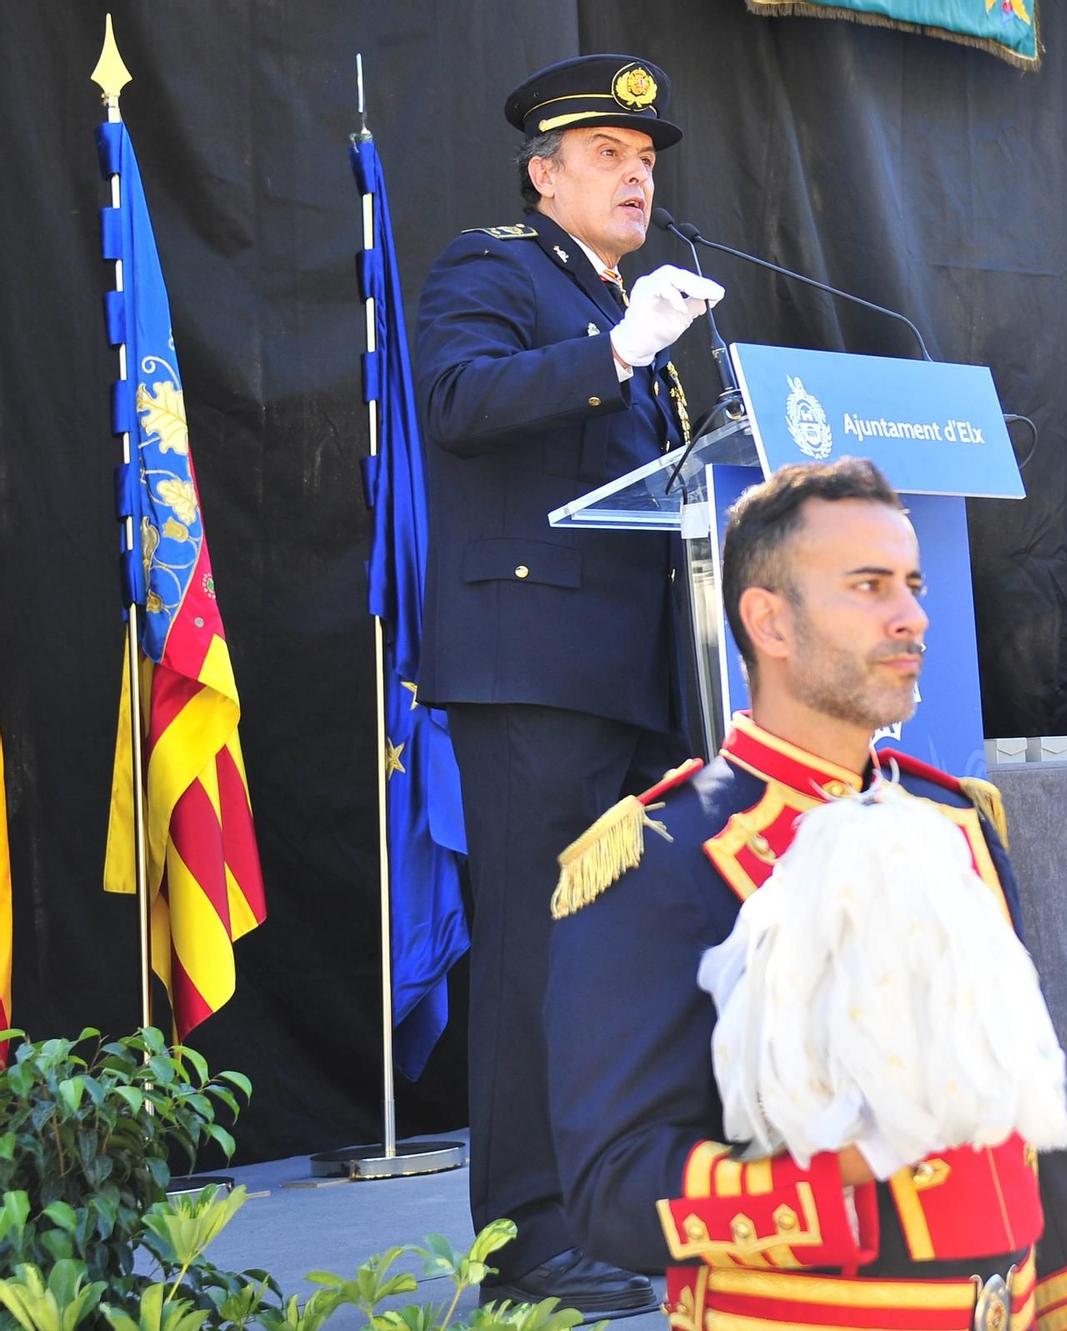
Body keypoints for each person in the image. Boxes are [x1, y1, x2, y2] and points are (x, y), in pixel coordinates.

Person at [543, 459, 1067, 1330]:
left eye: (912, 584)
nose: (912, 616)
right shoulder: (661, 857)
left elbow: (1031, 1127)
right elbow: (612, 1186)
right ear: (769, 620)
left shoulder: (956, 821)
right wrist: (844, 1180)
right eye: (868, 586)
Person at [413, 53, 724, 1314]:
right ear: (544, 174)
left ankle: (604, 1208)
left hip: (633, 676)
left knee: (610, 963)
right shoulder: (491, 268)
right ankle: (528, 1237)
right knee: (539, 963)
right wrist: (616, 348)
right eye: (609, 153)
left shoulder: (625, 307)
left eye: (646, 159)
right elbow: (458, 397)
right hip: (533, 667)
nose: (637, 172)